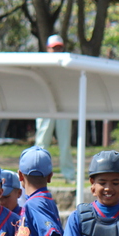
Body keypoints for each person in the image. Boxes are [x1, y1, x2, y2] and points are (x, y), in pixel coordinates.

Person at [35, 34, 75, 183]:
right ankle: (36, 173)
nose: (57, 50)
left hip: (63, 107)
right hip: (45, 106)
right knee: (42, 143)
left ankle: (69, 175)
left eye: (59, 47)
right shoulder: (41, 64)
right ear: (48, 49)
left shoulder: (67, 64)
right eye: (54, 48)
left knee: (65, 144)